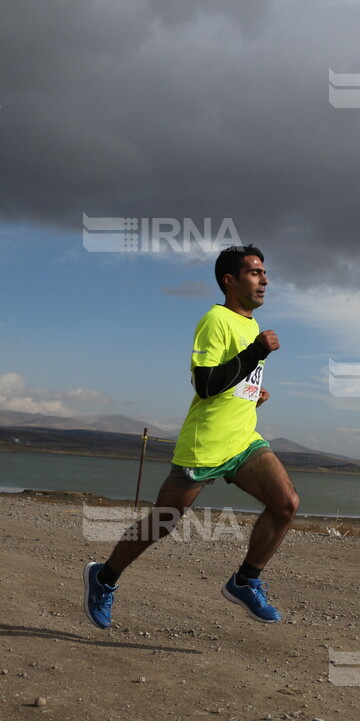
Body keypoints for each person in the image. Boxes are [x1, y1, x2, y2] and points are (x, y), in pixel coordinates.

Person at [84, 244, 299, 626]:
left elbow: (228, 381)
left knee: (286, 503)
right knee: (162, 522)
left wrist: (251, 394)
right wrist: (256, 353)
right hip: (204, 444)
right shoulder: (216, 321)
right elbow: (205, 383)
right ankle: (104, 577)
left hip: (242, 440)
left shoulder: (250, 326)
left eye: (264, 273)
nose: (264, 280)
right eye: (255, 273)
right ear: (229, 281)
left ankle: (245, 581)